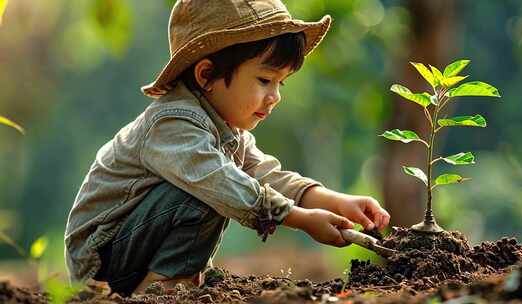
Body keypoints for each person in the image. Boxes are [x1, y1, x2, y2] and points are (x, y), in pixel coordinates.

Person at [64, 0, 391, 297]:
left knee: (228, 185)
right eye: (264, 80)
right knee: (215, 191)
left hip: (132, 248)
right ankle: (160, 289)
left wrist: (337, 202)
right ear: (206, 74)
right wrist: (299, 218)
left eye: (281, 83)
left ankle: (169, 284)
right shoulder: (172, 123)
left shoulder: (225, 131)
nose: (275, 96)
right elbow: (222, 182)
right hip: (104, 260)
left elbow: (266, 175)